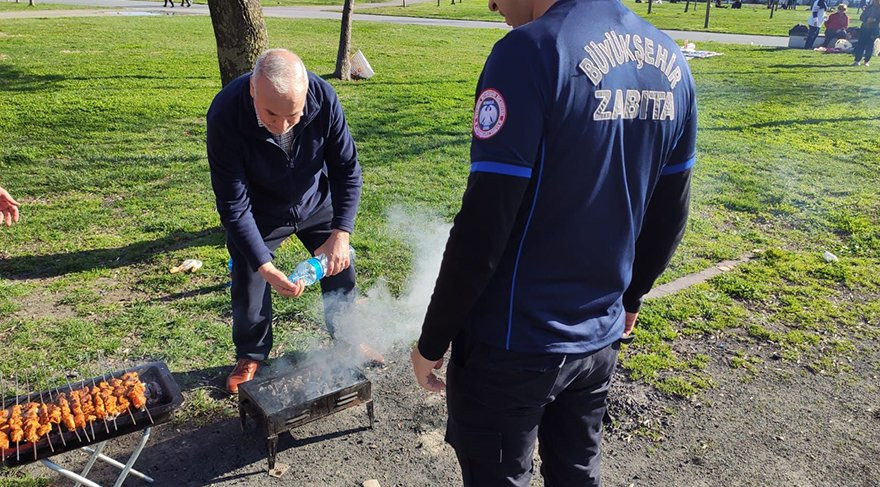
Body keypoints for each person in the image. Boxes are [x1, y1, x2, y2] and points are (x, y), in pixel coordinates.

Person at [410, 0, 696, 483]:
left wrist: (432, 339)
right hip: (599, 336)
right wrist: (632, 294)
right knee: (577, 473)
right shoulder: (670, 59)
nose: (492, 4)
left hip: (512, 343)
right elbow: (672, 212)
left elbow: (483, 226)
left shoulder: (527, 52)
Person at [207, 49, 379, 394]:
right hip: (261, 210)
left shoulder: (323, 97)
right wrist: (264, 265)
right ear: (254, 89)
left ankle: (346, 339)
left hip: (314, 198)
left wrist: (341, 233)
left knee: (339, 266)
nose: (282, 125)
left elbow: (347, 169)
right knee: (247, 272)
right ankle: (251, 355)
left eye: (294, 116)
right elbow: (232, 204)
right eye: (271, 115)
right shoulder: (226, 112)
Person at [853, 0, 880, 64]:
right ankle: (857, 60)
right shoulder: (868, 7)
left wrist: (875, 20)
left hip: (874, 29)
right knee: (860, 44)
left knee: (870, 46)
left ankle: (866, 61)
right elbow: (861, 17)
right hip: (864, 28)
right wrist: (866, 19)